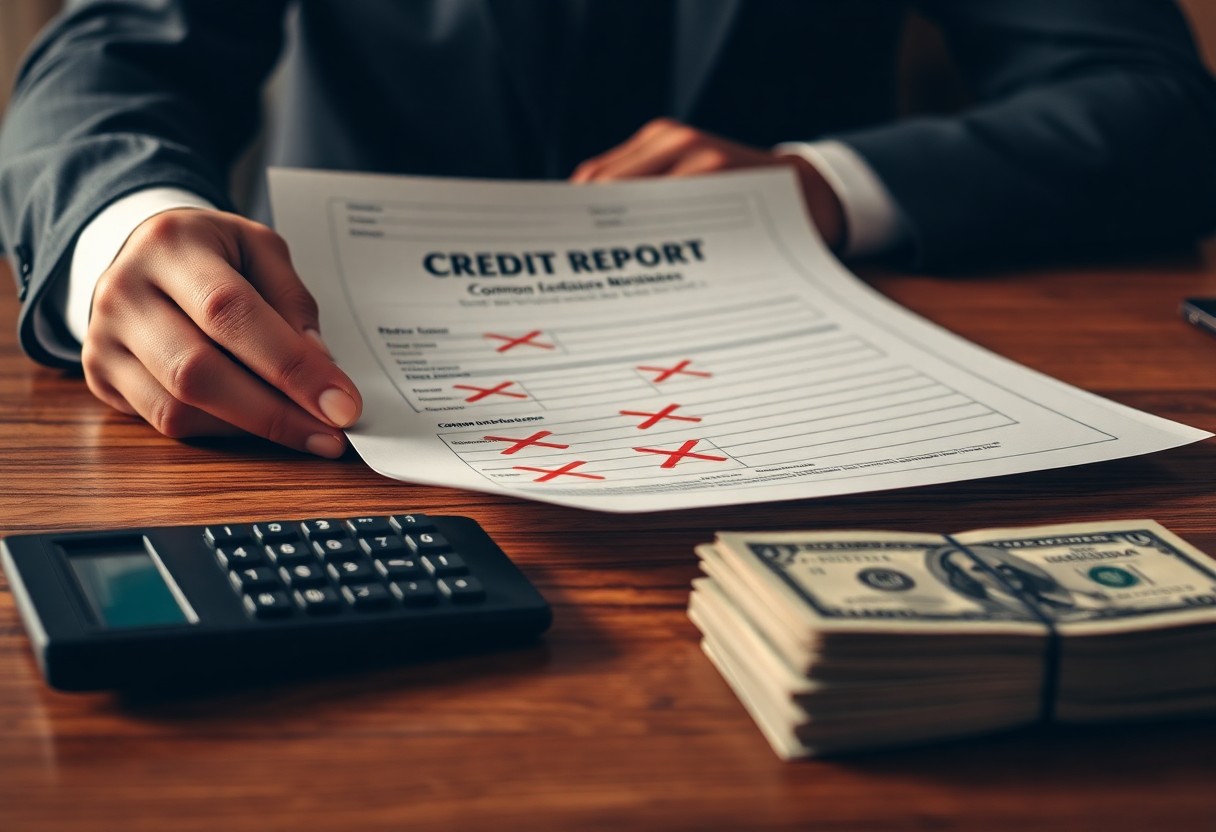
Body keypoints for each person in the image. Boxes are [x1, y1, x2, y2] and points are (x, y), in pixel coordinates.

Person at [2, 0, 1215, 460]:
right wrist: (122, 228)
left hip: (803, 421)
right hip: (327, 396)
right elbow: (113, 46)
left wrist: (823, 184)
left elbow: (1150, 98)